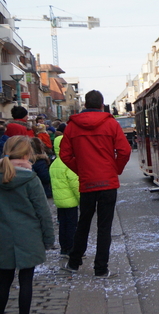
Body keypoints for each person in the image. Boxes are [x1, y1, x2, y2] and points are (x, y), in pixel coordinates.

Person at [60, 90, 132, 278]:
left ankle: (74, 262)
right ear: (102, 105)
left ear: (85, 104)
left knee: (83, 223)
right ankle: (101, 269)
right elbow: (124, 151)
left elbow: (65, 155)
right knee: (104, 227)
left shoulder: (72, 126)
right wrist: (114, 169)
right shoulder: (110, 123)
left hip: (87, 183)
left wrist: (81, 170)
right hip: (107, 183)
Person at [0, 135, 55, 314]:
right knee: (26, 282)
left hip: (2, 237)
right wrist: (48, 239)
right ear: (27, 155)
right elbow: (43, 212)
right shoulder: (30, 179)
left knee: (3, 281)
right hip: (28, 236)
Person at [50, 124, 80, 258]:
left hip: (59, 201)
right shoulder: (69, 162)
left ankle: (64, 248)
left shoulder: (54, 163)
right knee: (72, 226)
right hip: (70, 201)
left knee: (63, 225)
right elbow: (75, 184)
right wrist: (82, 199)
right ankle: (72, 248)